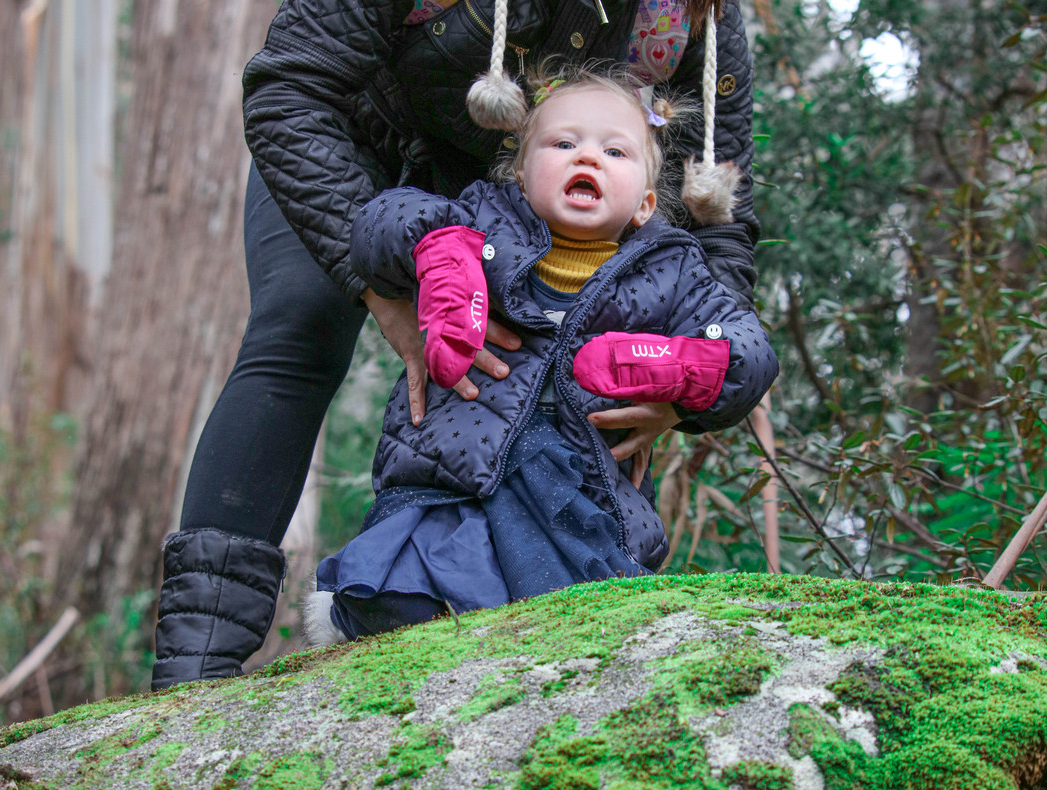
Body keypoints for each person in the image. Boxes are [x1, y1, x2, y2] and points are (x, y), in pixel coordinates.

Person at [151, 0, 760, 689]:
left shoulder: (692, 14)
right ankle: (193, 674)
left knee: (534, 392)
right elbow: (293, 84)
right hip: (350, 136)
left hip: (527, 196)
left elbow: (718, 217)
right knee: (301, 324)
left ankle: (483, 613)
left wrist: (679, 393)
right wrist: (378, 290)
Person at [302, 67, 778, 645]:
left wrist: (687, 368)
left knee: (569, 614)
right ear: (522, 175)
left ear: (646, 204)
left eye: (615, 150)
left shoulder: (673, 271)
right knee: (405, 591)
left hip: (581, 491)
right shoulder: (481, 217)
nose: (589, 158)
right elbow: (383, 219)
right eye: (563, 143)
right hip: (451, 470)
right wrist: (440, 254)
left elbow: (749, 350)